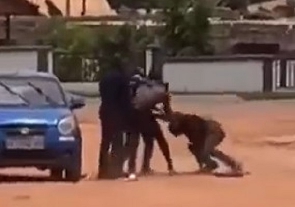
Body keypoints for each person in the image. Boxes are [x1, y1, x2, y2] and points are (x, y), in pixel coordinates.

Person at [165, 111, 243, 174]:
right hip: (209, 131)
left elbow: (198, 141)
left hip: (213, 130)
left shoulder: (190, 123)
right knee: (199, 148)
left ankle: (233, 164)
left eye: (177, 133)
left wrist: (200, 165)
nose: (178, 135)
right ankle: (211, 165)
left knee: (208, 150)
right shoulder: (186, 125)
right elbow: (196, 145)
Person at [98, 64, 135, 179]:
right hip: (117, 114)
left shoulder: (104, 79)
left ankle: (102, 170)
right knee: (117, 141)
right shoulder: (123, 80)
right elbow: (125, 101)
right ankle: (115, 170)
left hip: (105, 111)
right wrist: (129, 116)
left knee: (105, 141)